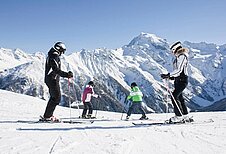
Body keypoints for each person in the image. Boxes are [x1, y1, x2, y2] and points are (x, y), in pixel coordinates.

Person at [42, 42, 73, 121]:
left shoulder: (52, 55)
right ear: (59, 49)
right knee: (56, 98)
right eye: (62, 51)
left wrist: (66, 74)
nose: (62, 53)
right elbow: (56, 70)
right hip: (52, 79)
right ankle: (47, 116)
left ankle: (47, 115)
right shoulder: (54, 56)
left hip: (51, 79)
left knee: (54, 97)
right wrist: (67, 75)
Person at [160, 41, 189, 122]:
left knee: (174, 96)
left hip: (182, 80)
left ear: (175, 49)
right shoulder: (178, 57)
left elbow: (179, 70)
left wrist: (168, 75)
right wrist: (172, 78)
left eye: (172, 50)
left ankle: (179, 116)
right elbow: (178, 71)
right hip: (178, 80)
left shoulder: (182, 56)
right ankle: (185, 115)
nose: (171, 52)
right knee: (180, 97)